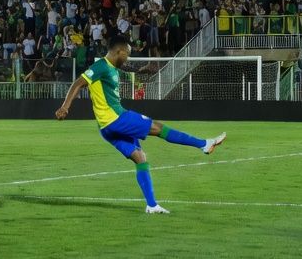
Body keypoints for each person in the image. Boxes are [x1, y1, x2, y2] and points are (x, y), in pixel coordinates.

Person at [55, 36, 225, 214]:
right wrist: (64, 107)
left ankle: (151, 205)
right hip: (116, 119)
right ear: (119, 52)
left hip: (106, 128)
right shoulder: (101, 66)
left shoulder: (112, 69)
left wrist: (143, 71)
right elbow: (78, 83)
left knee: (140, 158)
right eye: (127, 54)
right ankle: (204, 144)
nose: (128, 58)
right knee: (158, 128)